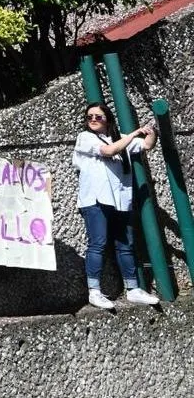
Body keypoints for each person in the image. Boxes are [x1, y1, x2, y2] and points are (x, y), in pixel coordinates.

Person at [73, 103, 161, 309]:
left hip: (120, 199)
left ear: (108, 119)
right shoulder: (85, 138)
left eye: (98, 116)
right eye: (89, 117)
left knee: (126, 244)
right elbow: (108, 150)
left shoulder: (121, 138)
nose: (93, 120)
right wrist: (134, 134)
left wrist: (151, 132)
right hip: (95, 200)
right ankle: (94, 291)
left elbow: (147, 145)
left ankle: (133, 289)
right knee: (98, 243)